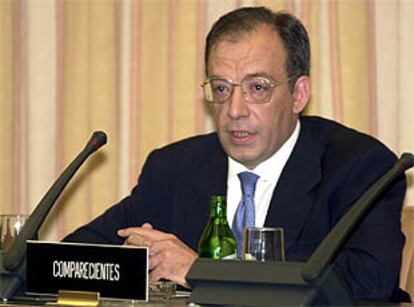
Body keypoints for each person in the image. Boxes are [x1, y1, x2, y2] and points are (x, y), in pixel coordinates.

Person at [64, 6, 409, 302]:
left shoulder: (357, 165)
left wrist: (206, 272)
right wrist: (134, 266)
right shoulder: (174, 169)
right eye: (221, 89)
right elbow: (75, 258)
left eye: (257, 88)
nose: (234, 109)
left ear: (298, 94)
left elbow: (370, 279)